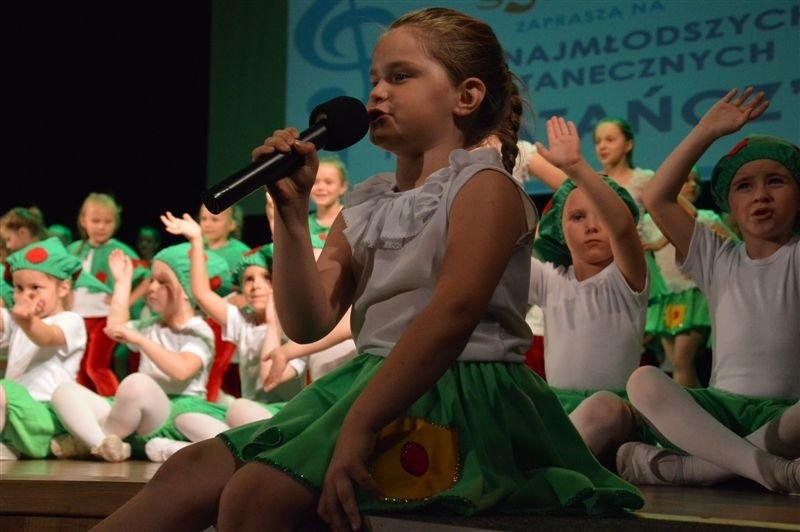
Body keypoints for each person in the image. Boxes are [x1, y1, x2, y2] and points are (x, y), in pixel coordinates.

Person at [95, 8, 642, 530]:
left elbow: (451, 315)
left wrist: (362, 423)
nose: (377, 91)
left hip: (455, 388)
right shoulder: (367, 202)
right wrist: (290, 215)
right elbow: (310, 320)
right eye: (375, 77)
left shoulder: (485, 186)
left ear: (467, 95)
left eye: (401, 76)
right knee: (186, 471)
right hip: (364, 383)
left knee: (256, 496)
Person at [617, 87, 799, 494]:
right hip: (718, 414)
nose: (761, 196)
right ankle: (772, 470)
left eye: (776, 182)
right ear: (727, 204)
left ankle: (697, 470)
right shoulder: (717, 256)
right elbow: (656, 197)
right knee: (645, 379)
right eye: (745, 186)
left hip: (788, 419)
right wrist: (705, 131)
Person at [529, 118, 649, 466]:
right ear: (557, 229)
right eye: (577, 217)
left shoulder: (627, 277)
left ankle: (548, 470)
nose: (593, 226)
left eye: (602, 216)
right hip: (556, 410)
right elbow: (498, 251)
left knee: (604, 406)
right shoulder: (551, 278)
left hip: (614, 413)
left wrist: (575, 168)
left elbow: (623, 228)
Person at [50, 243, 232, 462]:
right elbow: (115, 327)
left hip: (173, 410)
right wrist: (122, 282)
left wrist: (141, 340)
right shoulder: (150, 325)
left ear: (186, 291)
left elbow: (182, 370)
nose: (152, 287)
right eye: (151, 280)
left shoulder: (197, 329)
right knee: (65, 391)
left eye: (162, 282)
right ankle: (102, 444)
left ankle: (87, 441)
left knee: (136, 384)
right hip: (133, 416)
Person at [0, 238, 104, 459]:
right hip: (18, 415)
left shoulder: (70, 320)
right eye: (19, 288)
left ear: (63, 287)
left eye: (35, 287)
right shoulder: (18, 322)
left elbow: (47, 337)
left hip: (47, 414)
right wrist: (21, 319)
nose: (26, 295)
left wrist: (26, 321)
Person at [640, 166, 737, 387]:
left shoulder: (705, 218)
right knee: (677, 364)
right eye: (684, 180)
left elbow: (735, 248)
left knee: (683, 361)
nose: (692, 185)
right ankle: (696, 412)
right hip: (669, 298)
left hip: (696, 296)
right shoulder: (649, 221)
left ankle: (682, 416)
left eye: (695, 180)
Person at [67, 192, 147, 396]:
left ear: (116, 223)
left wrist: (126, 300)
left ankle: (114, 404)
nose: (101, 226)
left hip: (105, 316)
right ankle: (84, 406)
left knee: (96, 366)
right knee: (79, 367)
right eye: (95, 221)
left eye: (107, 221)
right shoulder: (74, 249)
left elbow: (148, 277)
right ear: (83, 220)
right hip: (78, 316)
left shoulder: (119, 250)